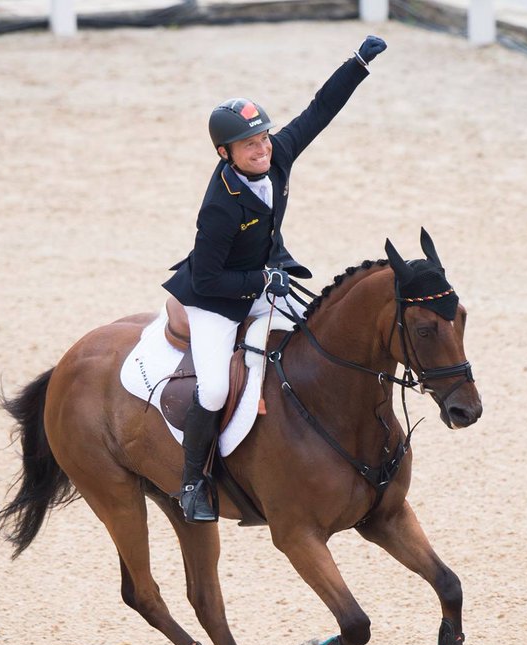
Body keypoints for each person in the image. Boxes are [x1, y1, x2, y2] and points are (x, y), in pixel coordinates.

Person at [163, 34, 388, 523]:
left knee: (313, 341)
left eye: (263, 138)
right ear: (226, 153)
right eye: (250, 145)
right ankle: (193, 483)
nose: (262, 149)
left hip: (266, 279)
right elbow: (206, 277)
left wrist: (356, 64)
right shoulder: (220, 206)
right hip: (215, 299)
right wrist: (260, 282)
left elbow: (318, 112)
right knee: (216, 389)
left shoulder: (277, 153)